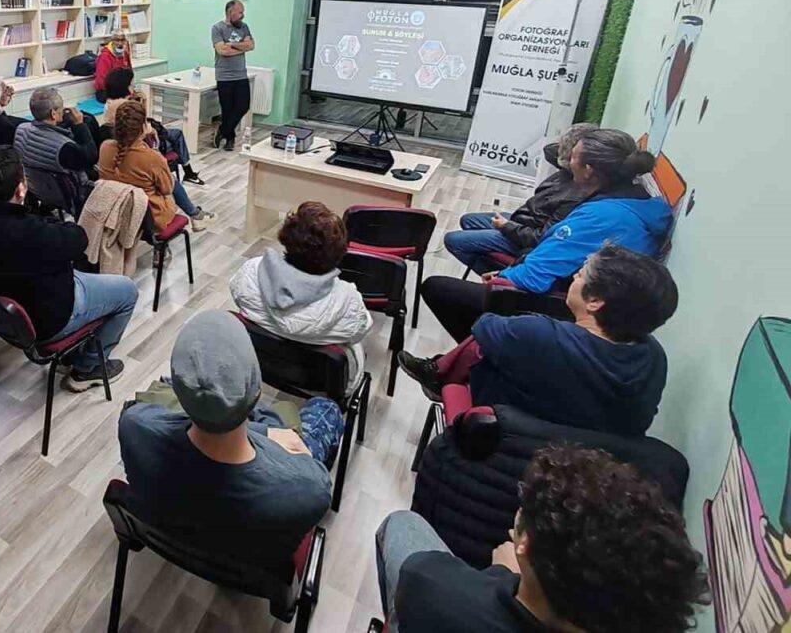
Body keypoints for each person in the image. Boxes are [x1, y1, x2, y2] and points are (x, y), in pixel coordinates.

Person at [375, 445, 709, 632]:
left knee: (402, 524)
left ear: (524, 545)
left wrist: (502, 575)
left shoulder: (432, 589)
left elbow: (419, 574)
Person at [118, 311, 342, 571]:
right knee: (326, 409)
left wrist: (263, 432)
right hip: (253, 562)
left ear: (177, 392)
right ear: (257, 392)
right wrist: (267, 433)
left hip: (179, 527)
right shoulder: (312, 489)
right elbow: (310, 480)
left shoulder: (133, 424)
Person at [421, 128, 671, 342]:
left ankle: (482, 350)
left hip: (562, 304)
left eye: (573, 157)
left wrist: (503, 276)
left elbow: (533, 278)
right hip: (591, 299)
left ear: (588, 170)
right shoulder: (640, 203)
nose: (567, 161)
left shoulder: (601, 217)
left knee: (437, 287)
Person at [399, 244, 677, 436]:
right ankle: (438, 372)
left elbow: (485, 325)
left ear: (594, 301)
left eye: (581, 275)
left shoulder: (537, 334)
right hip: (580, 466)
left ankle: (439, 374)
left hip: (500, 440)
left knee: (483, 347)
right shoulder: (654, 357)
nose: (575, 276)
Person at [0, 146, 136, 391]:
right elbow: (79, 238)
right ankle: (88, 367)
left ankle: (72, 354)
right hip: (48, 319)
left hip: (3, 314)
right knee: (127, 291)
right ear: (20, 189)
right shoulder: (28, 233)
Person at [230, 202, 371, 386]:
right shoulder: (348, 299)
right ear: (340, 253)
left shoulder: (252, 271)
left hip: (261, 364)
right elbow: (360, 330)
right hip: (321, 382)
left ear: (286, 238)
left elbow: (235, 292)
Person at [446, 122, 596, 274]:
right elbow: (549, 150)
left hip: (526, 239)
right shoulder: (570, 171)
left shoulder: (575, 196)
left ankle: (502, 277)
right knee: (468, 220)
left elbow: (542, 238)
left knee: (453, 240)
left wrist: (506, 226)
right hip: (524, 221)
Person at [98, 101, 214, 233]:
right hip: (148, 218)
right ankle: (195, 215)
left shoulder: (105, 147)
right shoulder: (152, 157)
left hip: (114, 211)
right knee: (170, 180)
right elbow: (167, 189)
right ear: (143, 127)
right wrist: (154, 146)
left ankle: (195, 214)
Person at [104, 68, 204, 185]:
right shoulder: (126, 106)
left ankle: (187, 173)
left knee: (175, 135)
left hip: (133, 142)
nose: (134, 87)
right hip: (143, 144)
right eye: (131, 84)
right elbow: (143, 127)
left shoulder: (109, 104)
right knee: (177, 136)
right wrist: (143, 103)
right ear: (123, 86)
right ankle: (185, 173)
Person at [13, 86, 100, 203]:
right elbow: (91, 157)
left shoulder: (21, 129)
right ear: (53, 113)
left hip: (36, 189)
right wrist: (79, 125)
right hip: (68, 195)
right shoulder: (63, 147)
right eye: (61, 108)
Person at [211, 0, 254, 151]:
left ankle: (222, 130)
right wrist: (241, 48)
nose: (243, 15)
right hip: (224, 76)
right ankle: (230, 139)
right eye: (240, 12)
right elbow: (222, 50)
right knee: (227, 109)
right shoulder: (217, 28)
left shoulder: (244, 27)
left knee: (243, 106)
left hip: (241, 75)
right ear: (231, 13)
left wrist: (231, 44)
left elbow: (251, 45)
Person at [93, 29, 132, 102]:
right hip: (106, 91)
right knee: (123, 103)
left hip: (121, 89)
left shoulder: (125, 53)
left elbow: (129, 72)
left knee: (136, 98)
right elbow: (101, 81)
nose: (120, 43)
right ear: (112, 40)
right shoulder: (105, 56)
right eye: (117, 40)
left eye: (122, 40)